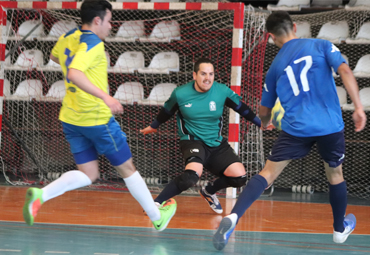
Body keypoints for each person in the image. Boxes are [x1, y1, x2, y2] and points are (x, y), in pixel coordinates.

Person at [213, 11, 367, 250]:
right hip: (329, 126)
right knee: (335, 175)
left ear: (271, 37)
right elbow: (345, 71)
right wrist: (358, 107)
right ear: (295, 26)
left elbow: (264, 111)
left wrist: (266, 123)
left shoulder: (274, 68)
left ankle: (233, 216)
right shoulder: (321, 45)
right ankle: (339, 229)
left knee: (267, 174)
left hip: (296, 129)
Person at [22, 0, 176, 231]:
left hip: (71, 118)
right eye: (109, 20)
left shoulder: (68, 36)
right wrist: (106, 97)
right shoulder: (92, 43)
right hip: (96, 118)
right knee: (127, 168)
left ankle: (41, 195)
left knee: (89, 173)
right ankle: (157, 217)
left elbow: (56, 58)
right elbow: (74, 73)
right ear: (97, 20)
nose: (111, 25)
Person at [140, 57, 267, 214]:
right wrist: (154, 126)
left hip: (216, 143)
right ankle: (156, 204)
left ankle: (208, 191)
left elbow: (242, 108)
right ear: (194, 75)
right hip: (192, 141)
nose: (208, 78)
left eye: (211, 74)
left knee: (239, 178)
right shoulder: (180, 94)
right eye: (203, 74)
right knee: (190, 178)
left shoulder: (222, 91)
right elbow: (166, 112)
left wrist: (259, 122)